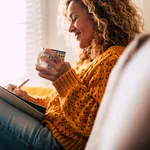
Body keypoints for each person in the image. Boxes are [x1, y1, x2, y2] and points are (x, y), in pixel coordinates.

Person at [0, 0, 143, 150]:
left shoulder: (113, 59)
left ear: (98, 16)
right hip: (50, 129)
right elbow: (59, 106)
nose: (70, 28)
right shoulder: (89, 59)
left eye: (74, 18)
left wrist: (64, 79)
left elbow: (93, 126)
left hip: (58, 143)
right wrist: (27, 99)